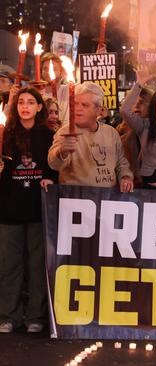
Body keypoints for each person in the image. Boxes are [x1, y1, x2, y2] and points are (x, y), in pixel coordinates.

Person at [0, 86, 56, 334]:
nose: (25, 106)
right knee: (10, 266)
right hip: (9, 210)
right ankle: (9, 315)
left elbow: (55, 166)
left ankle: (36, 315)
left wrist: (50, 178)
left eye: (30, 102)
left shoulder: (48, 135)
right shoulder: (6, 135)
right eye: (21, 102)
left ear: (39, 107)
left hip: (37, 209)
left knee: (36, 265)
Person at [48, 82, 133, 191]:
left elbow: (121, 162)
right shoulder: (65, 132)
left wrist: (125, 176)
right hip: (77, 200)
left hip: (107, 200)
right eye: (75, 104)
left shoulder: (111, 133)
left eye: (84, 105)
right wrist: (62, 150)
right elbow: (54, 164)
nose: (78, 108)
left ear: (98, 110)